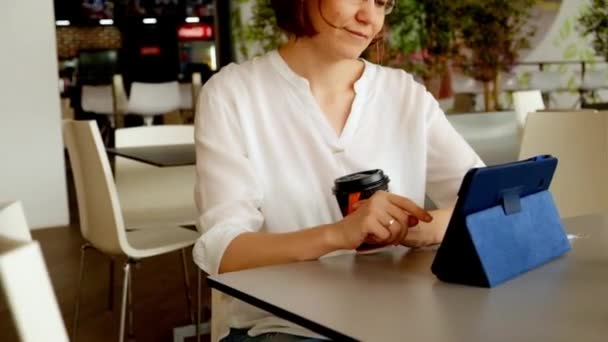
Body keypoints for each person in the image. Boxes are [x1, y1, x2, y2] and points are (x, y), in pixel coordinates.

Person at [193, 0, 484, 340]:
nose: (368, 18)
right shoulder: (233, 94)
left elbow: (482, 200)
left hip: (399, 318)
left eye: (382, 3)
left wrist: (418, 229)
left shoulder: (403, 93)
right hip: (285, 327)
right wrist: (339, 234)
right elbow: (225, 250)